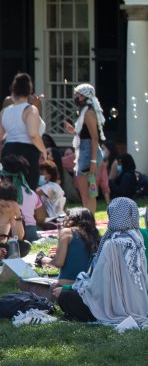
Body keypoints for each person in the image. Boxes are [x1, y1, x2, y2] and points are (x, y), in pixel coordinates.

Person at [54, 197, 148, 325]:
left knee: (66, 298)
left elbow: (97, 286)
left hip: (114, 311)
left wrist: (67, 288)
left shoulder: (110, 244)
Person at [62, 83, 105, 214]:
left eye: (78, 95)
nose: (76, 97)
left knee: (86, 192)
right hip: (86, 150)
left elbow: (94, 138)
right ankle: (89, 219)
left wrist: (92, 162)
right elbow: (86, 134)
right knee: (88, 191)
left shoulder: (89, 113)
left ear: (85, 96)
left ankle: (88, 221)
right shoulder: (87, 111)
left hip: (88, 152)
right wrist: (74, 131)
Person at [0, 72, 47, 189]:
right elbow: (33, 134)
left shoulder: (4, 111)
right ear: (29, 92)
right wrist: (44, 150)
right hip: (27, 153)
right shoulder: (31, 110)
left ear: (13, 91)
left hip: (8, 150)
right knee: (28, 190)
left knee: (10, 191)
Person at [40, 207, 98, 285]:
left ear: (71, 220)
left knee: (24, 283)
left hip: (67, 286)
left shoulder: (67, 232)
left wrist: (43, 259)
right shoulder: (95, 237)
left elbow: (58, 263)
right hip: (90, 287)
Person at [36, 160, 66, 230]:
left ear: (48, 176)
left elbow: (36, 193)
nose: (39, 175)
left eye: (41, 173)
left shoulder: (51, 186)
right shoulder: (53, 186)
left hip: (54, 219)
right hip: (57, 217)